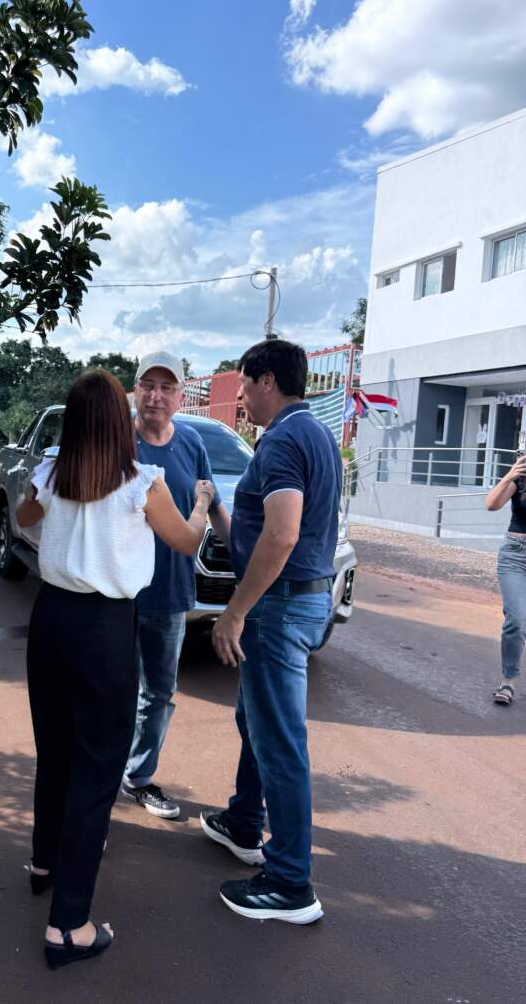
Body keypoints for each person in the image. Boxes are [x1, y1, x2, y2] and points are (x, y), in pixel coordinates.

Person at [16, 369, 213, 969]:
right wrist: (202, 504)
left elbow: (25, 521)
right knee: (97, 770)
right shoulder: (141, 483)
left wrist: (38, 489)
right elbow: (184, 542)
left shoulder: (52, 473)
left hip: (48, 621)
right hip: (103, 629)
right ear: (117, 420)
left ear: (75, 423)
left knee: (55, 749)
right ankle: (68, 925)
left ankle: (44, 861)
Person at [202, 339, 342, 926]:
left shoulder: (284, 438)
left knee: (280, 739)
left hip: (280, 609)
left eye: (243, 388)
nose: (239, 401)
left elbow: (282, 536)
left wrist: (235, 610)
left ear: (264, 381)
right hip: (301, 603)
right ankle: (242, 820)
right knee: (255, 719)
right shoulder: (316, 435)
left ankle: (290, 883)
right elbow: (269, 528)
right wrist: (215, 512)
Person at [121, 351, 232, 819]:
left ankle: (138, 777)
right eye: (148, 385)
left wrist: (245, 564)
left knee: (160, 692)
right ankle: (96, 781)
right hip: (117, 592)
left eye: (167, 388)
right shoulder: (117, 440)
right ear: (135, 389)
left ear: (181, 396)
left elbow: (214, 502)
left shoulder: (190, 443)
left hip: (168, 593)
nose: (156, 396)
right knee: (109, 689)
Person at [485, 447, 526, 705]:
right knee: (516, 619)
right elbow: (492, 505)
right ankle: (508, 682)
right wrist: (508, 475)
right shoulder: (519, 480)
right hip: (515, 554)